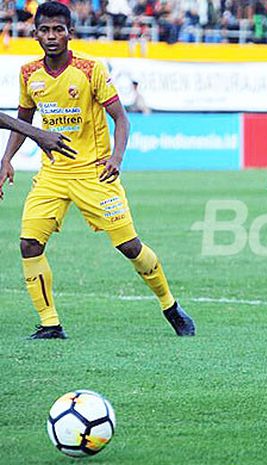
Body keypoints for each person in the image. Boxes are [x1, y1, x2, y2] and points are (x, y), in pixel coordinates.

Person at [0, 2, 195, 339]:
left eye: (58, 29)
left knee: (130, 246)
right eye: (44, 30)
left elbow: (121, 118)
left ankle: (169, 305)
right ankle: (50, 324)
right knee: (29, 244)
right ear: (34, 34)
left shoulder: (90, 70)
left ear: (69, 33)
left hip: (95, 173)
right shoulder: (29, 73)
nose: (51, 36)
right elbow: (24, 119)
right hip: (53, 174)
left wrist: (116, 159)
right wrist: (7, 159)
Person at [0, 112, 76, 166]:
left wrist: (38, 134)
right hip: (51, 172)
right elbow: (24, 119)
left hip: (86, 171)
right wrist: (38, 134)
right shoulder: (29, 89)